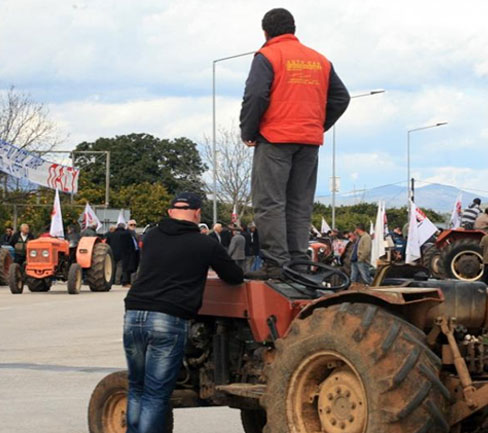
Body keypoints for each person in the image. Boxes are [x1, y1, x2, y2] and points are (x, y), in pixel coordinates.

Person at [241, 8, 350, 279]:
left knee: (270, 203)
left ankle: (277, 264)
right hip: (308, 142)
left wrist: (249, 131)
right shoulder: (320, 60)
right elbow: (341, 98)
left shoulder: (267, 55)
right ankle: (300, 263)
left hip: (275, 139)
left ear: (265, 32)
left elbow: (255, 96)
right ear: (293, 29)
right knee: (299, 204)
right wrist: (316, 125)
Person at [123, 192, 243, 433]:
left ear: (169, 212)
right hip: (167, 319)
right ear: (198, 214)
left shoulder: (152, 235)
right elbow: (234, 276)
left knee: (137, 387)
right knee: (156, 395)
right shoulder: (205, 243)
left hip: (134, 315)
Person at [108, 223, 136, 287]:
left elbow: (107, 243)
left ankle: (112, 280)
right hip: (123, 253)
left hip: (112, 252)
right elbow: (130, 245)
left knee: (112, 266)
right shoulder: (126, 234)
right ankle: (117, 281)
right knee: (120, 267)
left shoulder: (111, 234)